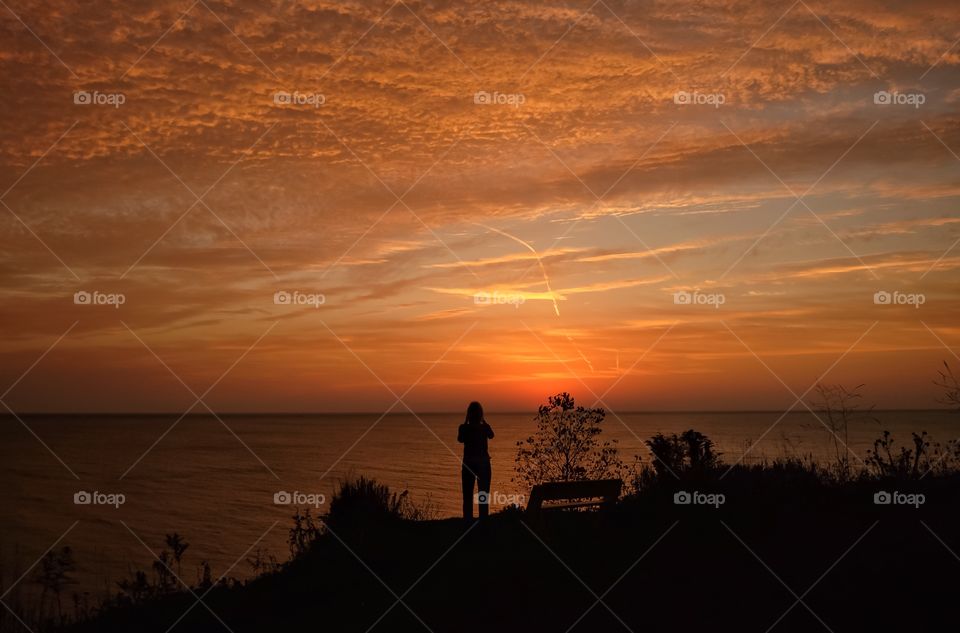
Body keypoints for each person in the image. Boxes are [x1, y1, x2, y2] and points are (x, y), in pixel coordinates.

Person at [457, 401, 494, 520]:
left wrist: (466, 421)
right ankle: (483, 521)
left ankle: (468, 521)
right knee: (483, 494)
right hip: (483, 463)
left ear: (469, 414)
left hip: (468, 463)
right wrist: (484, 421)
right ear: (480, 414)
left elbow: (460, 439)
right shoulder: (484, 428)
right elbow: (491, 435)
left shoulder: (463, 428)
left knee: (467, 496)